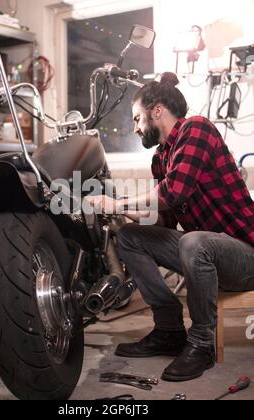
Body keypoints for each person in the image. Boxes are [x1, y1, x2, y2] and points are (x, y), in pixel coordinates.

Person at [87, 72, 254, 382]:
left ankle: (202, 343)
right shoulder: (161, 158)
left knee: (194, 242)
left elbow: (174, 191)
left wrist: (118, 204)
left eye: (137, 118)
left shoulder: (197, 128)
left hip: (245, 257)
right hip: (205, 254)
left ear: (157, 110)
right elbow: (164, 219)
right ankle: (168, 329)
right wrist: (122, 213)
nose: (135, 127)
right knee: (130, 237)